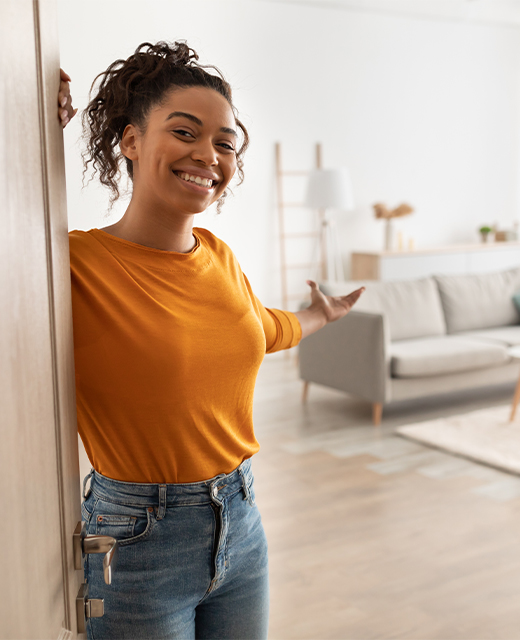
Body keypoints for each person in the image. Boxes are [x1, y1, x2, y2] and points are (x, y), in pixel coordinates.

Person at [58, 41, 364, 639]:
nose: (209, 154)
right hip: (137, 540)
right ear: (131, 140)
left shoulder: (219, 258)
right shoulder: (74, 264)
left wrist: (318, 315)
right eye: (185, 132)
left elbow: (258, 330)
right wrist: (16, 125)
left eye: (225, 143)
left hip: (242, 520)